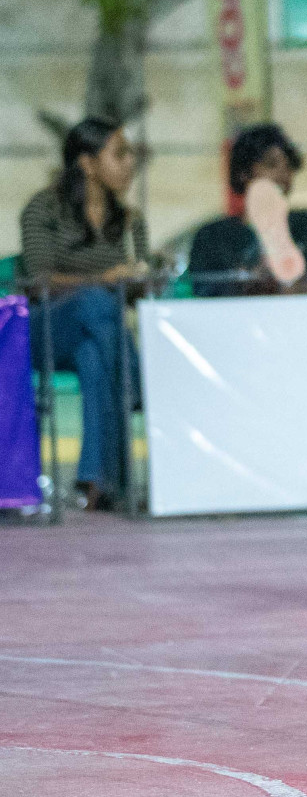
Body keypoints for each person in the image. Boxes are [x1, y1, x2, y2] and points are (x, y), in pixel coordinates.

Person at [21, 117, 146, 510]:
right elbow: (37, 281)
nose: (129, 163)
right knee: (94, 301)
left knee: (96, 357)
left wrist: (141, 282)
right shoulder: (44, 208)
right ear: (87, 163)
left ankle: (94, 480)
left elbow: (129, 294)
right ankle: (138, 385)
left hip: (97, 332)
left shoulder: (128, 221)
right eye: (119, 154)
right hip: (48, 328)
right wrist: (105, 277)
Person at [188, 124, 307, 296]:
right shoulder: (212, 237)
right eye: (271, 164)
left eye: (288, 166)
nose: (283, 174)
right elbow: (202, 293)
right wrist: (246, 282)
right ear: (244, 173)